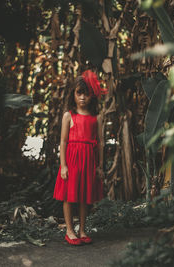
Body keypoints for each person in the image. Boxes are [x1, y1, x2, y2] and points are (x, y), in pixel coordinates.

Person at [53, 70, 107, 245]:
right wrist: (63, 166)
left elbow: (100, 142)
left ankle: (82, 229)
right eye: (79, 93)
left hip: (89, 160)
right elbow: (63, 140)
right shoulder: (69, 115)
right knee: (69, 195)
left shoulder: (96, 118)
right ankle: (69, 230)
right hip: (72, 159)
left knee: (85, 196)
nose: (83, 97)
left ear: (92, 95)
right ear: (73, 94)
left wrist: (99, 166)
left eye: (87, 93)